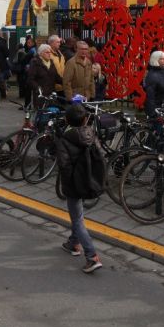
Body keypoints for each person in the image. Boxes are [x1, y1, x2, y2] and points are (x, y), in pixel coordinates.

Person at [54, 104, 103, 274]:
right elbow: (100, 154)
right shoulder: (91, 134)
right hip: (89, 180)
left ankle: (92, 256)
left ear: (67, 120)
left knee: (77, 219)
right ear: (85, 120)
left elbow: (64, 165)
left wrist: (68, 185)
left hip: (74, 184)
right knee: (77, 215)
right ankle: (73, 243)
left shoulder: (64, 139)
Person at [143, 50, 164, 119]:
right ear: (155, 60)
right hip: (158, 108)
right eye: (161, 58)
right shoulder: (152, 75)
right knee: (158, 125)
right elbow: (150, 96)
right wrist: (153, 113)